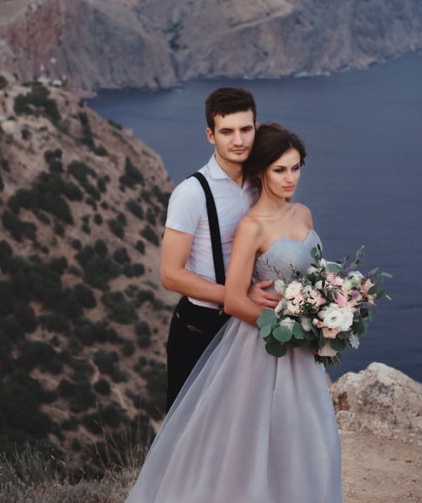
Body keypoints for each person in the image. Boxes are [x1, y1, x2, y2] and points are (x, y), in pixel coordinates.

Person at [126, 124, 343, 503]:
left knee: (312, 441)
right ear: (261, 172)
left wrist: (331, 313)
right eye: (280, 170)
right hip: (264, 347)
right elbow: (234, 301)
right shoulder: (251, 228)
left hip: (305, 353)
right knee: (252, 448)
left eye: (295, 168)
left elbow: (315, 276)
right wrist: (293, 331)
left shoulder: (303, 214)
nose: (290, 178)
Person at [161, 87, 281, 410]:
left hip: (251, 325)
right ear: (210, 136)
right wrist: (236, 295)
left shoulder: (263, 183)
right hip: (201, 325)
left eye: (245, 129)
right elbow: (170, 275)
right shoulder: (191, 194)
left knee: (245, 420)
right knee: (190, 426)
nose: (238, 140)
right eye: (227, 131)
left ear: (256, 129)